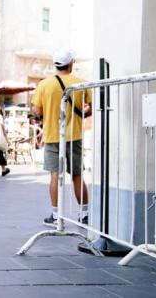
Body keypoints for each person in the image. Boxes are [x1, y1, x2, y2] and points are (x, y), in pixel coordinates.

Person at [32, 49, 92, 225]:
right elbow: (92, 106)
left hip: (52, 136)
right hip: (74, 136)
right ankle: (84, 213)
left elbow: (37, 111)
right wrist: (81, 114)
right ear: (71, 63)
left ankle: (57, 215)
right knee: (77, 175)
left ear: (55, 64)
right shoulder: (81, 84)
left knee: (54, 176)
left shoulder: (44, 85)